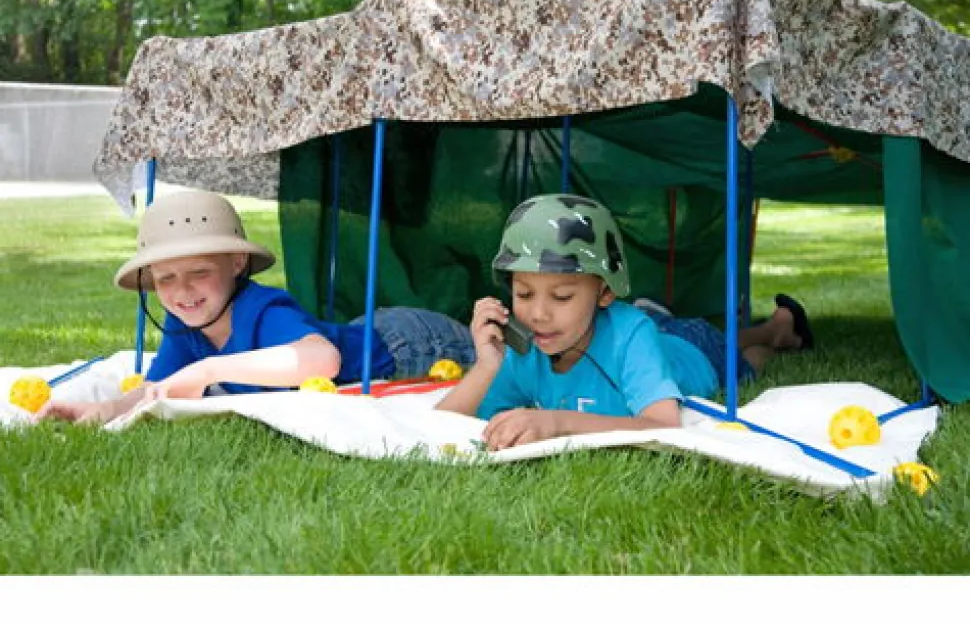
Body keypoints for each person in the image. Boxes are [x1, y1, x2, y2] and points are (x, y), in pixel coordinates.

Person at [39, 189, 476, 425]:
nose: (182, 291)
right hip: (369, 329)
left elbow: (323, 360)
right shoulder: (183, 323)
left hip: (410, 344)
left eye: (199, 272)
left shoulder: (262, 310)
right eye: (165, 278)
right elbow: (160, 387)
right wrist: (106, 410)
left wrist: (208, 371)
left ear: (236, 263)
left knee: (494, 354)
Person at [436, 193, 812, 451]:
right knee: (666, 327)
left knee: (744, 360)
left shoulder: (630, 335)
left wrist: (557, 423)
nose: (538, 314)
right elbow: (438, 428)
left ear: (605, 292)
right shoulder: (527, 346)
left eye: (561, 296)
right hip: (648, 331)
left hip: (694, 351)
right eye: (524, 293)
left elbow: (663, 426)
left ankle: (775, 331)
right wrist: (486, 367)